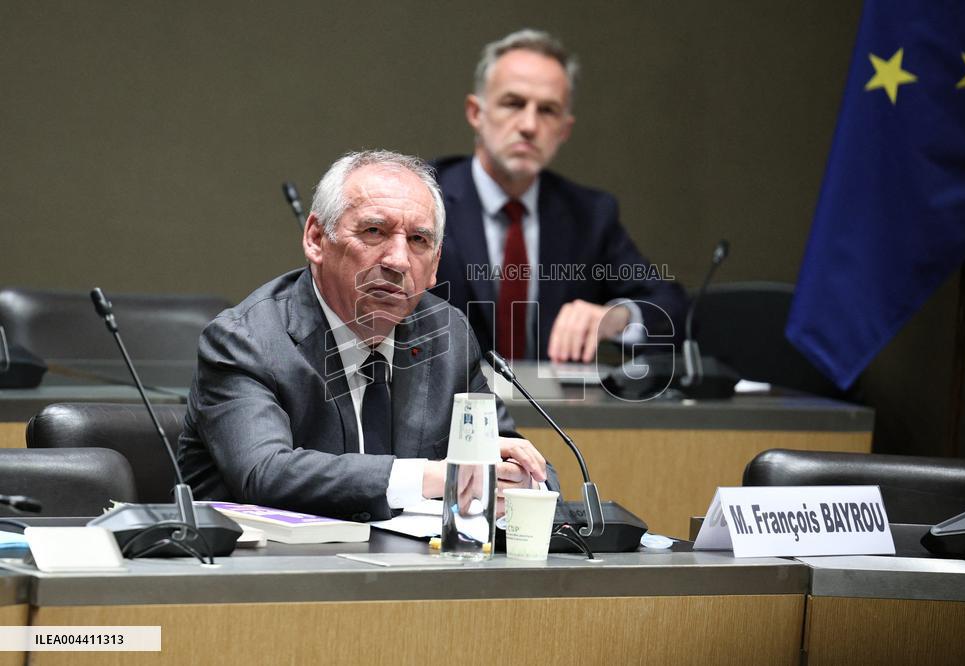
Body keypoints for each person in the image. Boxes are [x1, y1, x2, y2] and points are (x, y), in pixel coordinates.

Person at [178, 150, 556, 522]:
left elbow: (512, 455)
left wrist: (521, 481)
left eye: (418, 240)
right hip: (267, 574)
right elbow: (265, 473)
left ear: (435, 266)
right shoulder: (246, 340)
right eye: (374, 231)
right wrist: (438, 476)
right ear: (315, 238)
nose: (397, 261)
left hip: (405, 574)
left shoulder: (448, 336)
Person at [432, 29, 687, 363]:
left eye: (548, 110)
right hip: (444, 409)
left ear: (565, 129)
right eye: (514, 103)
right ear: (475, 113)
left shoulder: (589, 215)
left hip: (551, 411)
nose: (529, 125)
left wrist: (616, 317)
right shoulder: (424, 197)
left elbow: (672, 307)